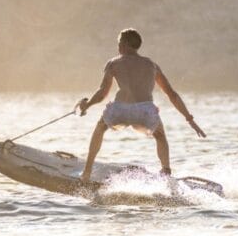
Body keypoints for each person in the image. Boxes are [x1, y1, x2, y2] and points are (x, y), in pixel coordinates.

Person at [79, 28, 206, 182]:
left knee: (100, 128)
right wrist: (189, 119)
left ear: (125, 44)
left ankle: (86, 172)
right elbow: (171, 94)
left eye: (119, 43)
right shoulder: (151, 65)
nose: (118, 47)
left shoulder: (113, 63)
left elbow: (102, 93)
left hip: (120, 109)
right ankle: (166, 175)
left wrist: (87, 105)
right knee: (160, 136)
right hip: (145, 110)